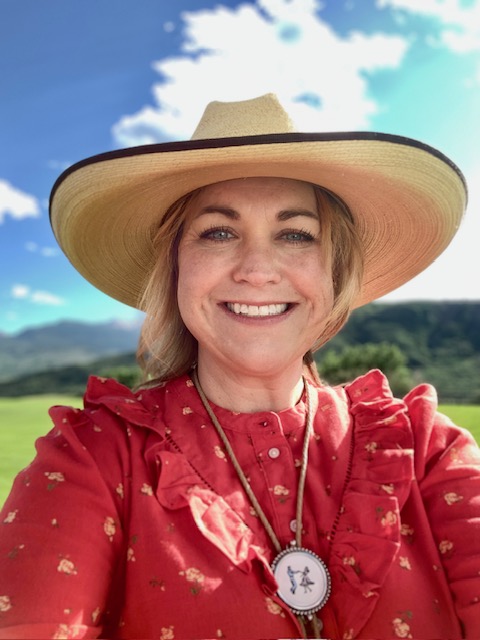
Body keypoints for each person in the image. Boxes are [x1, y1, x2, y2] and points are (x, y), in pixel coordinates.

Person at [0, 94, 478, 640]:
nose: (257, 270)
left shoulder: (425, 450)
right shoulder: (94, 457)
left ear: (335, 271)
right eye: (218, 232)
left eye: (296, 234)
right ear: (175, 266)